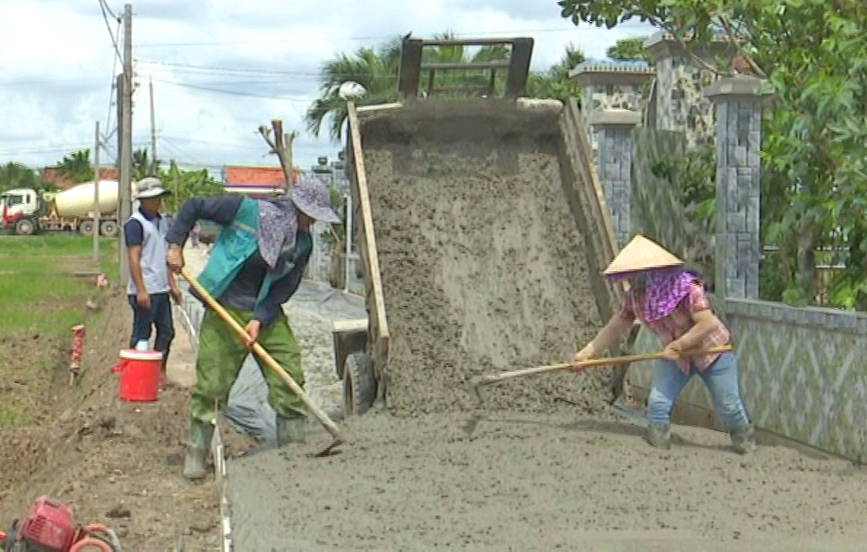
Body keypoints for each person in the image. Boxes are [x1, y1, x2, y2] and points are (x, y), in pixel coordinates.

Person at [164, 177, 340, 480]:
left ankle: (293, 450)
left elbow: (284, 287)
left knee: (289, 376)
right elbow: (193, 207)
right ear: (295, 208)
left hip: (262, 313)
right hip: (225, 307)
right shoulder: (246, 211)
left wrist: (260, 318)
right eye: (310, 215)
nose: (311, 222)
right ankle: (196, 452)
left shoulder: (303, 243)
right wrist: (175, 245)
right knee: (212, 385)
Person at [573, 234, 756, 454]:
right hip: (676, 356)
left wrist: (680, 344)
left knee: (729, 406)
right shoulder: (635, 297)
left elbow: (708, 323)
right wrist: (589, 352)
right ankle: (658, 448)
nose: (636, 280)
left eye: (641, 275)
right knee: (658, 404)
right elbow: (616, 325)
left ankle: (745, 442)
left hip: (711, 351)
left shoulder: (688, 290)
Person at [124, 177, 181, 384]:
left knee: (167, 332)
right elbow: (133, 258)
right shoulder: (135, 224)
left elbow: (164, 256)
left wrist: (172, 285)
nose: (157, 202)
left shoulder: (162, 222)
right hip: (144, 288)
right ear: (142, 200)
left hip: (161, 288)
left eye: (158, 198)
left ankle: (159, 372)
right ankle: (134, 375)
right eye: (152, 198)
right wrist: (140, 289)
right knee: (142, 335)